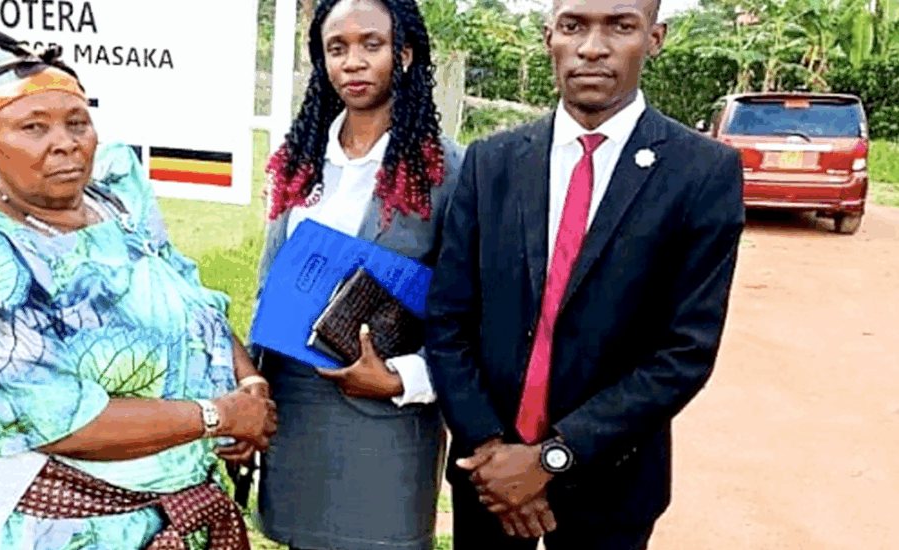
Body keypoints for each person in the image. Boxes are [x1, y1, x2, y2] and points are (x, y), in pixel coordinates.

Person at [0, 26, 277, 550]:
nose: (64, 142)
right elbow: (62, 422)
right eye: (33, 127)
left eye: (77, 122)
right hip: (67, 530)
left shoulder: (117, 205)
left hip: (180, 515)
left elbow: (190, 298)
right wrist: (215, 416)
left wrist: (247, 385)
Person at [424, 0, 746, 547]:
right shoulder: (492, 162)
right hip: (490, 480)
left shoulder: (703, 172)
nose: (592, 48)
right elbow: (448, 318)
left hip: (612, 485)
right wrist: (489, 448)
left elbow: (685, 351)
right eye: (574, 26)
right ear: (550, 34)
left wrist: (551, 459)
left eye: (620, 26)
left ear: (654, 38)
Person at [248, 0, 464, 548]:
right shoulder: (299, 158)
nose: (353, 62)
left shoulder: (447, 171)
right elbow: (270, 282)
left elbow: (471, 311)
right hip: (294, 407)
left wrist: (402, 381)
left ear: (406, 53)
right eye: (336, 49)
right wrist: (250, 390)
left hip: (386, 420)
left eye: (372, 44)